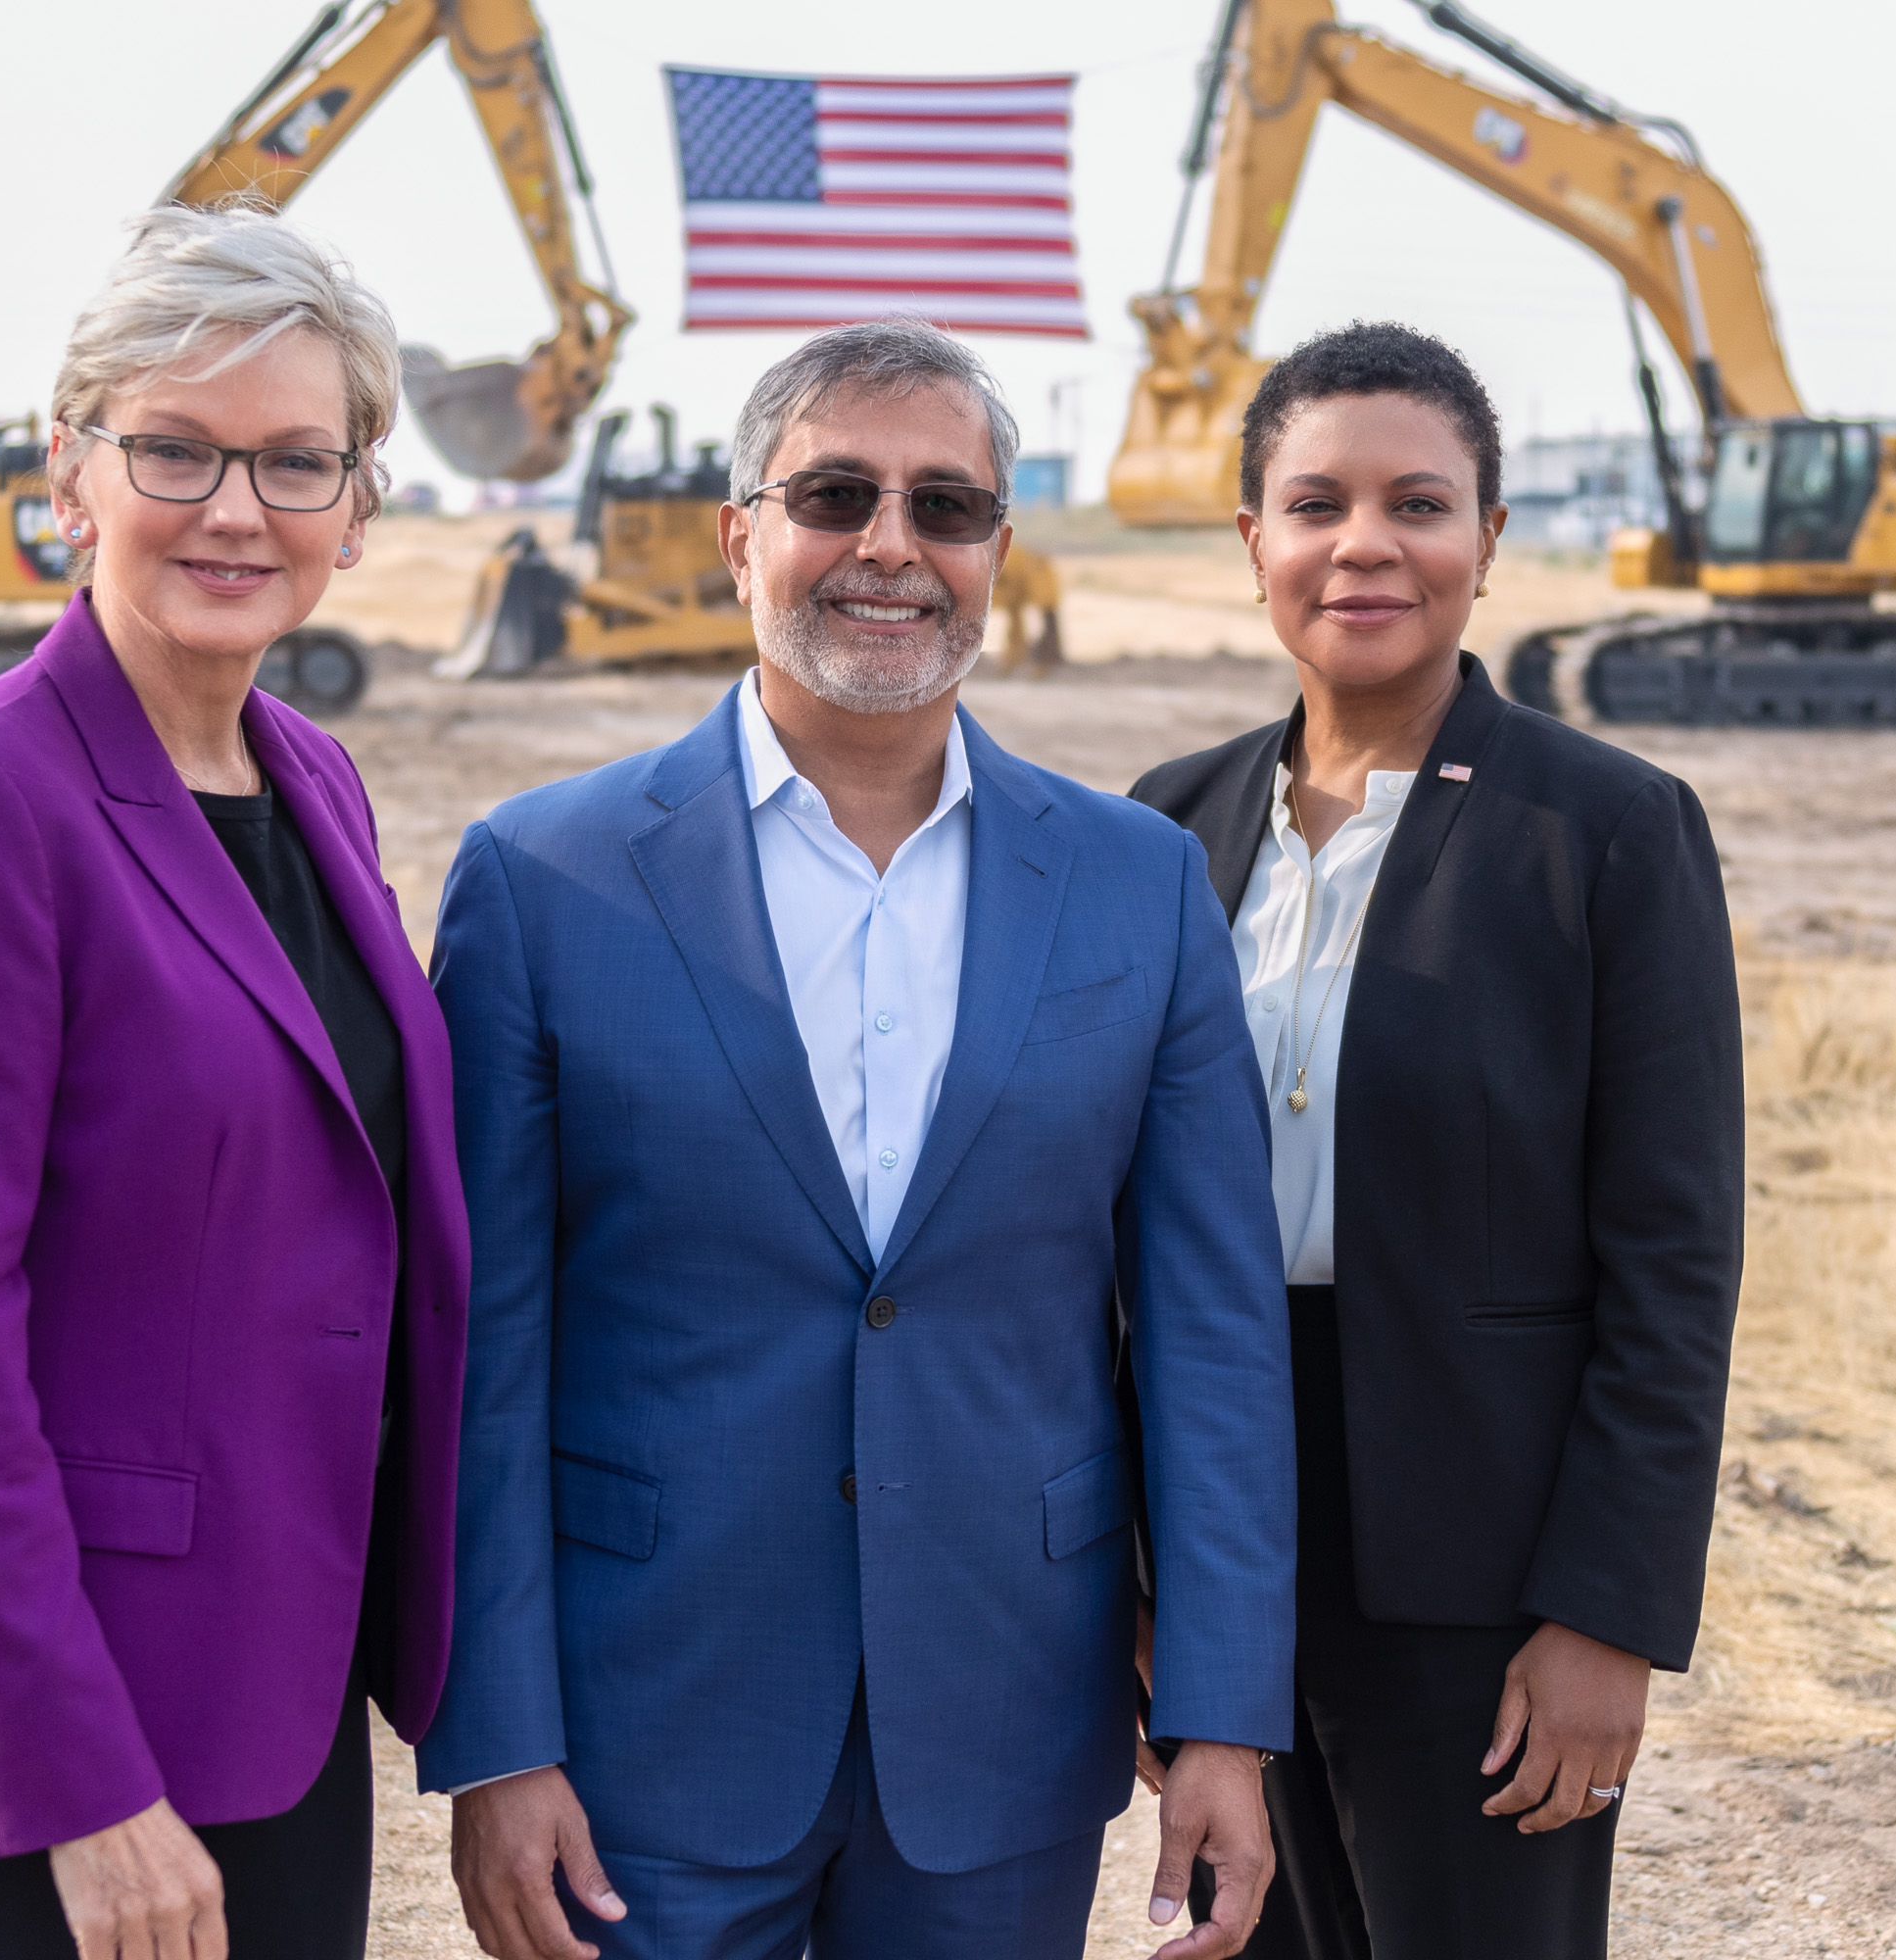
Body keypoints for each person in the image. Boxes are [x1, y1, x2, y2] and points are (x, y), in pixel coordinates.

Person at [421, 317, 1295, 1960]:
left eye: (944, 506)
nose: (892, 546)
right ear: (740, 534)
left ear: (997, 551)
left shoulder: (1137, 884)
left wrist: (1226, 1715)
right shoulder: (540, 879)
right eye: (836, 496)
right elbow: (483, 1350)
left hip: (1005, 1714)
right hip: (643, 1725)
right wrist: (498, 1737)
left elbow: (1215, 1335)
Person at [0, 203, 469, 1960]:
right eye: (177, 448)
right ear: (71, 472)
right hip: (55, 1706)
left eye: (296, 461)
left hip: (276, 1659)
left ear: (357, 505)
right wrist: (74, 1779)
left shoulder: (312, 778)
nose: (237, 509)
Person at [1130, 320, 1743, 1958]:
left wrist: (1608, 1613)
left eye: (1418, 503)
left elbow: (1675, 1258)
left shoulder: (1607, 830)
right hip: (1220, 1528)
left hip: (1484, 1555)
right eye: (1316, 504)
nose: (1365, 544)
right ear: (1253, 538)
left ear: (1488, 537)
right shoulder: (1159, 829)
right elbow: (1101, 1227)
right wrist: (1127, 1572)